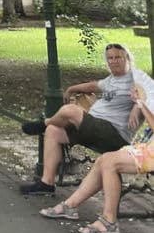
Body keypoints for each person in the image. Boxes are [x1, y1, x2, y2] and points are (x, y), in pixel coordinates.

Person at [38, 76, 154, 233]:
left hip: (149, 151)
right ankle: (70, 206)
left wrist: (141, 104)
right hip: (146, 147)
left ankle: (109, 220)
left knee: (109, 162)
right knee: (103, 161)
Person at [19, 43, 140, 195]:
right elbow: (93, 86)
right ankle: (46, 183)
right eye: (110, 58)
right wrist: (72, 89)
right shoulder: (111, 80)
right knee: (53, 131)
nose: (114, 61)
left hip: (114, 134)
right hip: (94, 129)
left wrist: (137, 107)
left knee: (70, 111)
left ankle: (43, 123)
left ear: (127, 58)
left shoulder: (136, 78)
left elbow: (149, 94)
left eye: (118, 57)